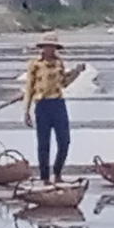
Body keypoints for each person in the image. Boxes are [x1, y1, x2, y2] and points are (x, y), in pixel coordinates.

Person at [24, 31, 85, 184]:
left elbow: (64, 83)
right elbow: (29, 88)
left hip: (58, 104)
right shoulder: (35, 64)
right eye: (46, 46)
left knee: (64, 141)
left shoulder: (59, 63)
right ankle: (45, 178)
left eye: (52, 47)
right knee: (43, 144)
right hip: (42, 105)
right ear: (42, 47)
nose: (49, 50)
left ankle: (57, 173)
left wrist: (76, 72)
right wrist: (26, 111)